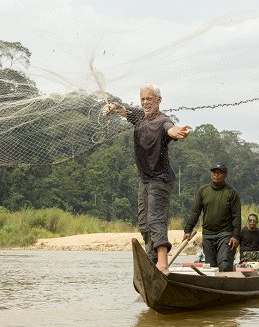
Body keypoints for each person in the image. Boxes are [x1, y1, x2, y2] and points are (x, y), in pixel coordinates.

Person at [102, 84, 190, 275]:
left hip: (161, 178)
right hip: (145, 179)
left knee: (155, 219)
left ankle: (163, 265)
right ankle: (152, 258)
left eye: (149, 99)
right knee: (143, 223)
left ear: (159, 100)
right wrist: (113, 107)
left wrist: (178, 132)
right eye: (142, 99)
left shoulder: (163, 120)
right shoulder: (139, 116)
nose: (145, 102)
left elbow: (171, 130)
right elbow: (124, 110)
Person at [183, 163, 241, 272]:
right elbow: (195, 212)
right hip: (208, 235)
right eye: (214, 172)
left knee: (224, 265)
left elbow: (236, 216)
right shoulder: (203, 191)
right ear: (211, 174)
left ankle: (227, 286)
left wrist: (236, 236)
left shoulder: (232, 193)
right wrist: (188, 229)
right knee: (211, 268)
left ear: (225, 175)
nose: (216, 175)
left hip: (225, 234)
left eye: (219, 173)